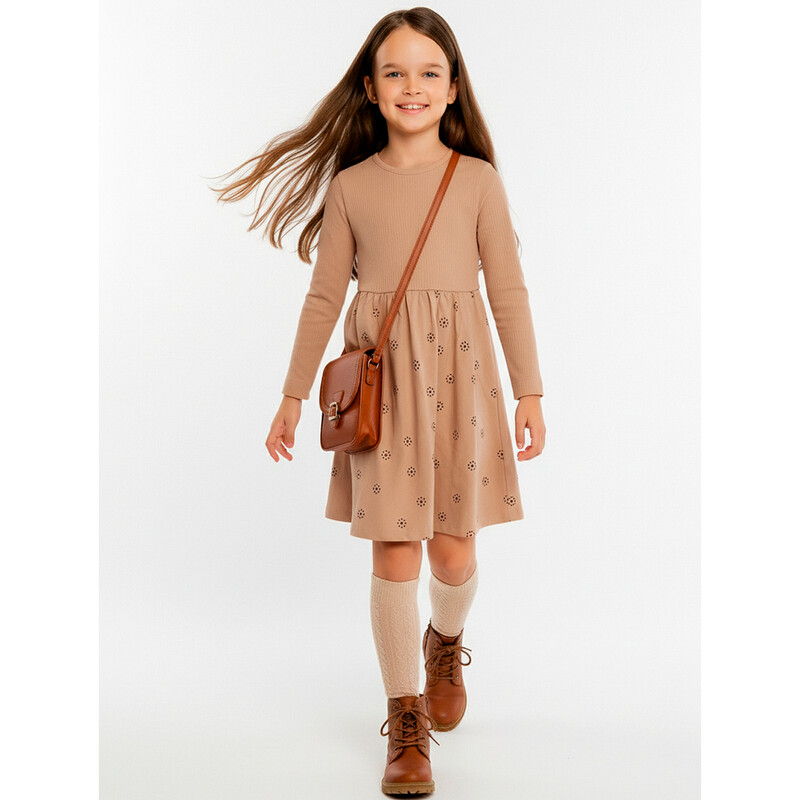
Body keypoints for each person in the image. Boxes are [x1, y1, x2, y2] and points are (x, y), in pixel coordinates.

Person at [212, 7, 546, 795]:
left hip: (460, 381)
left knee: (454, 553)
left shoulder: (477, 181)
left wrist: (530, 389)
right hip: (385, 390)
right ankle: (406, 719)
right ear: (369, 88)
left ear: (454, 88)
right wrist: (292, 395)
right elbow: (324, 298)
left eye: (430, 72)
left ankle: (443, 641)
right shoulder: (351, 188)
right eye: (395, 72)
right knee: (395, 551)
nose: (412, 86)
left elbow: (508, 292)